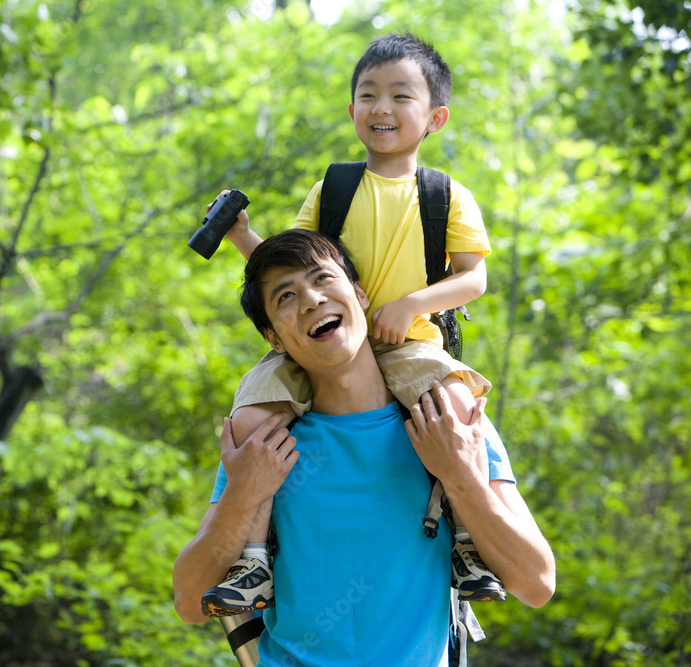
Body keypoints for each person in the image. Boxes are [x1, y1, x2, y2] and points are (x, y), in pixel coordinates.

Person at [204, 32, 500, 613]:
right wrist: (242, 236)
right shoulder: (333, 188)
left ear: (435, 116)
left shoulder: (447, 196)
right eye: (368, 95)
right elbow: (292, 270)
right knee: (252, 414)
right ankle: (252, 562)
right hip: (324, 343)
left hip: (409, 343)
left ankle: (468, 544)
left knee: (458, 408)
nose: (381, 108)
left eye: (400, 96)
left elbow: (473, 279)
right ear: (352, 111)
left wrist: (411, 305)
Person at [173, 229, 555, 665]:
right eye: (285, 297)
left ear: (359, 293)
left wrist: (459, 475)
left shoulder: (450, 426)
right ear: (273, 338)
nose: (312, 300)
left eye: (322, 279)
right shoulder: (265, 442)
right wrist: (242, 493)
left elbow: (536, 583)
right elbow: (189, 601)